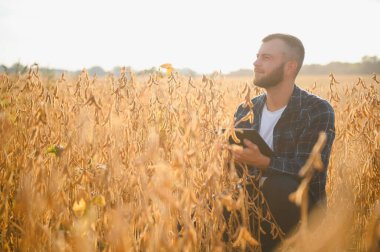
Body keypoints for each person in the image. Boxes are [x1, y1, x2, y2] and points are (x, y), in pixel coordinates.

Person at [231, 33, 335, 251]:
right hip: (248, 196)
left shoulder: (316, 109)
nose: (256, 63)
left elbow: (309, 170)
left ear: (290, 67)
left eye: (266, 58)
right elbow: (235, 170)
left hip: (300, 206)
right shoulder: (246, 109)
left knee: (278, 187)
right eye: (257, 56)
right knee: (202, 209)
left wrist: (264, 162)